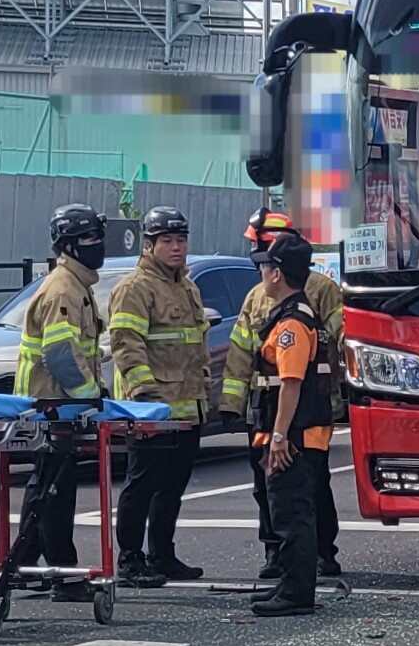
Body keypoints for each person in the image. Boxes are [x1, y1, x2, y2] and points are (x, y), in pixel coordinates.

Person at [221, 207, 343, 580]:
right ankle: (277, 553)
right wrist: (231, 403)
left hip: (304, 407)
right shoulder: (256, 296)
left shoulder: (320, 290)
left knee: (310, 486)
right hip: (265, 406)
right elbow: (242, 350)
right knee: (268, 488)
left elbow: (341, 338)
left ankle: (321, 552)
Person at [106, 206, 210, 588]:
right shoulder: (135, 288)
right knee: (142, 485)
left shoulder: (187, 286)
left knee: (172, 487)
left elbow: (194, 345)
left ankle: (162, 555)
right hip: (151, 408)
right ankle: (130, 559)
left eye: (181, 240)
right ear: (148, 245)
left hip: (186, 406)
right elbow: (125, 345)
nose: (176, 248)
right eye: (167, 241)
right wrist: (144, 399)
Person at [11, 203, 108, 603]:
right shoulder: (64, 289)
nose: (97, 245)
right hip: (52, 403)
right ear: (68, 245)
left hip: (54, 403)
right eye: (89, 239)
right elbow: (61, 356)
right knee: (54, 491)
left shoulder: (75, 285)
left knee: (47, 486)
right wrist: (90, 397)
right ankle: (63, 575)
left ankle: (21, 564)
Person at [245, 230, 337, 617]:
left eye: (265, 266)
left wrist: (279, 436)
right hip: (296, 431)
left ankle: (297, 593)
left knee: (291, 512)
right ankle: (289, 583)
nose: (262, 273)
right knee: (287, 510)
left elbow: (291, 382)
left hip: (295, 435)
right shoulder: (291, 316)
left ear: (277, 273)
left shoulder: (292, 324)